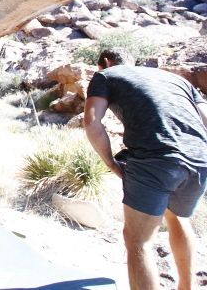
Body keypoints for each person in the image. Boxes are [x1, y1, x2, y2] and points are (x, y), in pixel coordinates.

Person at [83, 49, 207, 290]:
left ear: (106, 62)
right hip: (200, 158)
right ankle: (186, 287)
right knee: (177, 216)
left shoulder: (106, 75)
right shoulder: (175, 79)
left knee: (138, 241)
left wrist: (111, 163)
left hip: (155, 158)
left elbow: (91, 122)